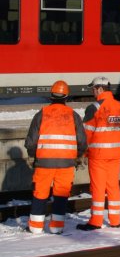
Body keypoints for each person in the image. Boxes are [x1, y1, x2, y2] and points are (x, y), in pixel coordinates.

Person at [24, 80, 87, 234]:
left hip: (44, 163)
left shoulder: (41, 114)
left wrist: (33, 156)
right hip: (66, 164)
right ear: (66, 97)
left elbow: (31, 142)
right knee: (61, 194)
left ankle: (35, 227)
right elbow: (82, 142)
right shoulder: (74, 116)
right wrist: (78, 157)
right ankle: (56, 227)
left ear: (51, 96)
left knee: (40, 193)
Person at [77, 76, 120, 231]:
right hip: (115, 154)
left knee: (98, 188)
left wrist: (84, 152)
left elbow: (87, 133)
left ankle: (96, 221)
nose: (92, 92)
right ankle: (115, 220)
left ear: (99, 89)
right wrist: (118, 148)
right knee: (113, 186)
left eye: (93, 88)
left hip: (98, 155)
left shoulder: (94, 108)